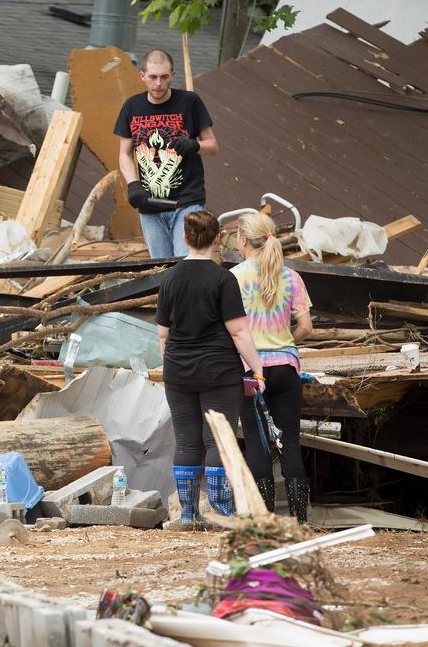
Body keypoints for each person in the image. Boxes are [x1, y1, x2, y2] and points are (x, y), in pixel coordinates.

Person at [155, 210, 265, 525]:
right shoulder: (223, 279)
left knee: (187, 440)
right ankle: (222, 511)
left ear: (185, 238)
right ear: (218, 239)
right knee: (217, 439)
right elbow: (239, 331)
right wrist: (257, 370)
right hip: (219, 372)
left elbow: (163, 334)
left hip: (178, 372)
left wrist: (174, 365)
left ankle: (189, 513)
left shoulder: (170, 278)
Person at [232, 211, 314, 523]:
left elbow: (230, 328)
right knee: (290, 441)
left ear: (242, 240)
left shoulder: (235, 277)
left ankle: (264, 519)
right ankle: (299, 520)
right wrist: (285, 343)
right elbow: (306, 326)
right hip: (285, 367)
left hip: (251, 370)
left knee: (256, 441)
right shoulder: (291, 276)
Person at [114, 49, 219, 258]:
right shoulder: (131, 107)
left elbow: (213, 146)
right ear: (142, 76)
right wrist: (133, 184)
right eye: (153, 77)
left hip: (186, 203)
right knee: (160, 272)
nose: (158, 83)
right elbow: (124, 154)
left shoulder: (189, 102)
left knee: (185, 265)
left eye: (164, 77)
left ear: (173, 75)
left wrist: (194, 145)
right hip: (149, 206)